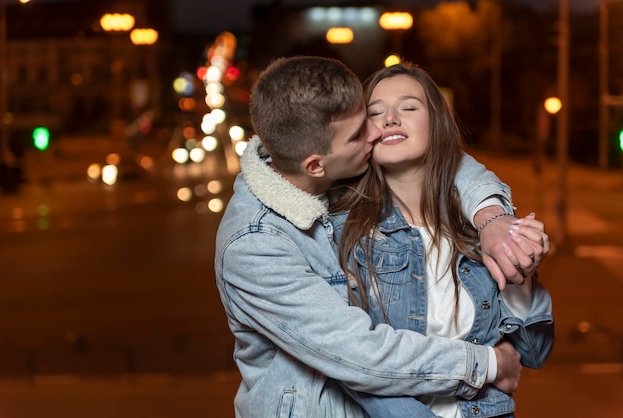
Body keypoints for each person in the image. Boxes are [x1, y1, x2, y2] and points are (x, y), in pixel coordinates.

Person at [214, 55, 543, 417]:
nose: (379, 129)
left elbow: (455, 163)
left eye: (408, 107)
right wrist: (487, 364)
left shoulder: (465, 213)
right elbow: (362, 355)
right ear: (316, 165)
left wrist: (494, 219)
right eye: (363, 126)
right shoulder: (259, 242)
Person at [329, 62, 554, 417]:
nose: (390, 119)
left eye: (408, 107)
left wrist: (520, 272)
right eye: (376, 111)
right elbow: (351, 361)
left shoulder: (480, 229)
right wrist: (486, 365)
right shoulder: (346, 231)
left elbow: (533, 353)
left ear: (436, 122)